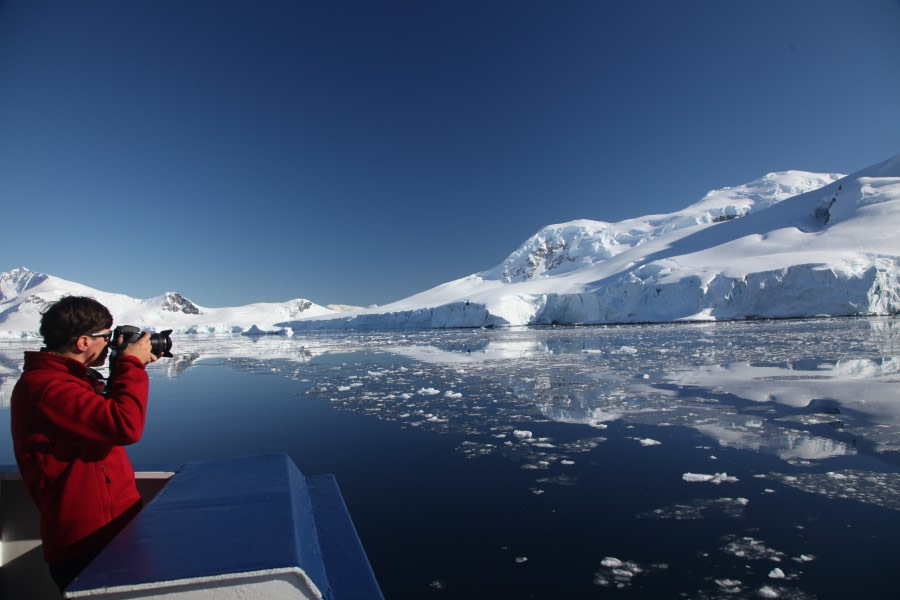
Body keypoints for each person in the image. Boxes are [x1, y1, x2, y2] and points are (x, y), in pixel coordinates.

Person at [10, 296, 158, 592]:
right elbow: (124, 425)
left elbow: (99, 423)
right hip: (86, 544)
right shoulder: (48, 388)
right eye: (106, 337)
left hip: (109, 534)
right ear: (83, 342)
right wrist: (129, 364)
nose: (112, 343)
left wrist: (120, 369)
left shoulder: (65, 382)